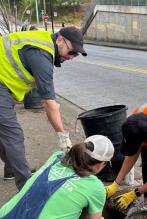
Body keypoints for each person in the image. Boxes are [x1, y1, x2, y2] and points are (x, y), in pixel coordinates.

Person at [0, 26, 87, 190]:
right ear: (60, 39)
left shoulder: (45, 43)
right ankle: (27, 189)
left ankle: (12, 168)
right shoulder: (41, 56)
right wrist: (63, 136)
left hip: (4, 84)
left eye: (76, 54)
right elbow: (49, 103)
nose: (72, 57)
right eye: (71, 51)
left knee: (4, 131)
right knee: (13, 135)